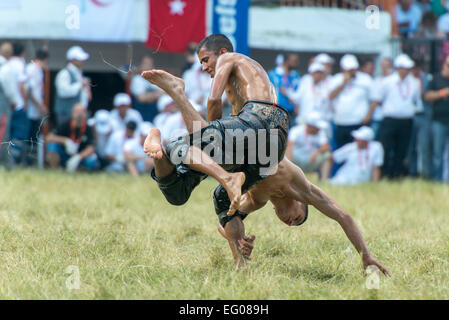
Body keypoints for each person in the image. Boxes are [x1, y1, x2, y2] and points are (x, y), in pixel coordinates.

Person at [141, 72, 389, 276]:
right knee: (202, 143)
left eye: (293, 224)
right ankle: (177, 94)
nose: (293, 223)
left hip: (227, 163)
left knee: (177, 193)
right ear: (302, 204)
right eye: (299, 218)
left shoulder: (256, 201)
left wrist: (240, 238)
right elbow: (343, 216)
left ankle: (162, 150)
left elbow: (223, 223)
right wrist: (365, 254)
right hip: (257, 146)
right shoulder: (299, 184)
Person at [143, 33, 289, 224]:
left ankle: (176, 94)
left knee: (177, 146)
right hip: (270, 146)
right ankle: (240, 251)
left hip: (262, 123)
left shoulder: (229, 58)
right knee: (178, 196)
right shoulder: (249, 84)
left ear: (222, 52)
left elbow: (213, 100)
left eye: (205, 60)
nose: (203, 68)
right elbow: (336, 210)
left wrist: (210, 138)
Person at [368, 54, 421, 179]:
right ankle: (385, 173)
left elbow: (416, 101)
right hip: (390, 119)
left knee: (402, 149)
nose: (406, 71)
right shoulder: (387, 82)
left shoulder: (413, 82)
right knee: (386, 148)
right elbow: (377, 100)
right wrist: (369, 115)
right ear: (398, 68)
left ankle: (397, 174)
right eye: (404, 68)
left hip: (406, 120)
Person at [329, 54, 374, 149]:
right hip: (341, 122)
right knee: (341, 150)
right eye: (348, 69)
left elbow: (374, 99)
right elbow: (330, 96)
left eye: (353, 69)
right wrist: (343, 83)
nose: (351, 72)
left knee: (358, 151)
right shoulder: (336, 79)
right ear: (342, 69)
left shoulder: (365, 79)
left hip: (359, 122)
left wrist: (368, 115)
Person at [45, 103, 99, 172]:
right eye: (77, 112)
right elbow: (48, 137)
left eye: (82, 111)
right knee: (53, 146)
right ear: (72, 113)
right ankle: (55, 170)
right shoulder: (65, 125)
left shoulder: (88, 128)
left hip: (79, 157)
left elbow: (92, 147)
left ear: (85, 113)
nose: (79, 114)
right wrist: (65, 141)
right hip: (65, 155)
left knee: (92, 161)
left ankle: (80, 172)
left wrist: (78, 157)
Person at [0, 42, 28, 166]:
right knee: (5, 134)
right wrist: (15, 103)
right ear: (10, 54)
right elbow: (11, 91)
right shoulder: (7, 68)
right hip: (4, 105)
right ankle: (7, 162)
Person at [423, 54, 449, 181]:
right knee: (438, 153)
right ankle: (437, 180)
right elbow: (427, 96)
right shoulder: (436, 79)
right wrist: (444, 92)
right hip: (439, 121)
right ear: (445, 65)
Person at [286, 112, 332, 180]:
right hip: (297, 159)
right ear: (310, 126)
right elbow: (289, 146)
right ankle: (289, 177)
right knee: (285, 153)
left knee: (328, 155)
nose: (319, 129)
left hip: (311, 159)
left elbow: (326, 147)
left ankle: (324, 180)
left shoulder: (320, 132)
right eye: (317, 127)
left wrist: (317, 153)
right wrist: (289, 164)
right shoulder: (296, 130)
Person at [408, 59, 433, 179]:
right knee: (411, 146)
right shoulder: (407, 80)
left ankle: (426, 174)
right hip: (410, 114)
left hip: (424, 114)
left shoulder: (428, 78)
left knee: (424, 145)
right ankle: (412, 172)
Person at [54, 46, 91, 126]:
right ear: (72, 60)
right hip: (66, 114)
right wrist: (80, 85)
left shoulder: (79, 73)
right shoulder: (64, 73)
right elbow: (63, 92)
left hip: (79, 115)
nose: (83, 61)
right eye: (80, 59)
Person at [25, 48, 50, 165]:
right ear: (45, 59)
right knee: (29, 137)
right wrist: (40, 106)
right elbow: (29, 91)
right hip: (30, 110)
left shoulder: (38, 70)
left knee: (34, 137)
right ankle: (26, 161)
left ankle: (31, 161)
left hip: (35, 111)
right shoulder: (32, 69)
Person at [268, 53, 301, 127]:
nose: (297, 63)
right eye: (294, 61)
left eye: (297, 61)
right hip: (278, 112)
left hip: (292, 113)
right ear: (286, 61)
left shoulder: (296, 75)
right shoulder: (274, 74)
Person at [130, 56, 164, 122]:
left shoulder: (157, 80)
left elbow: (165, 94)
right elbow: (142, 98)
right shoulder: (137, 79)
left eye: (150, 64)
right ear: (141, 66)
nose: (148, 66)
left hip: (156, 117)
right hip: (141, 117)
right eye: (146, 64)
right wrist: (156, 95)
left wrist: (149, 96)